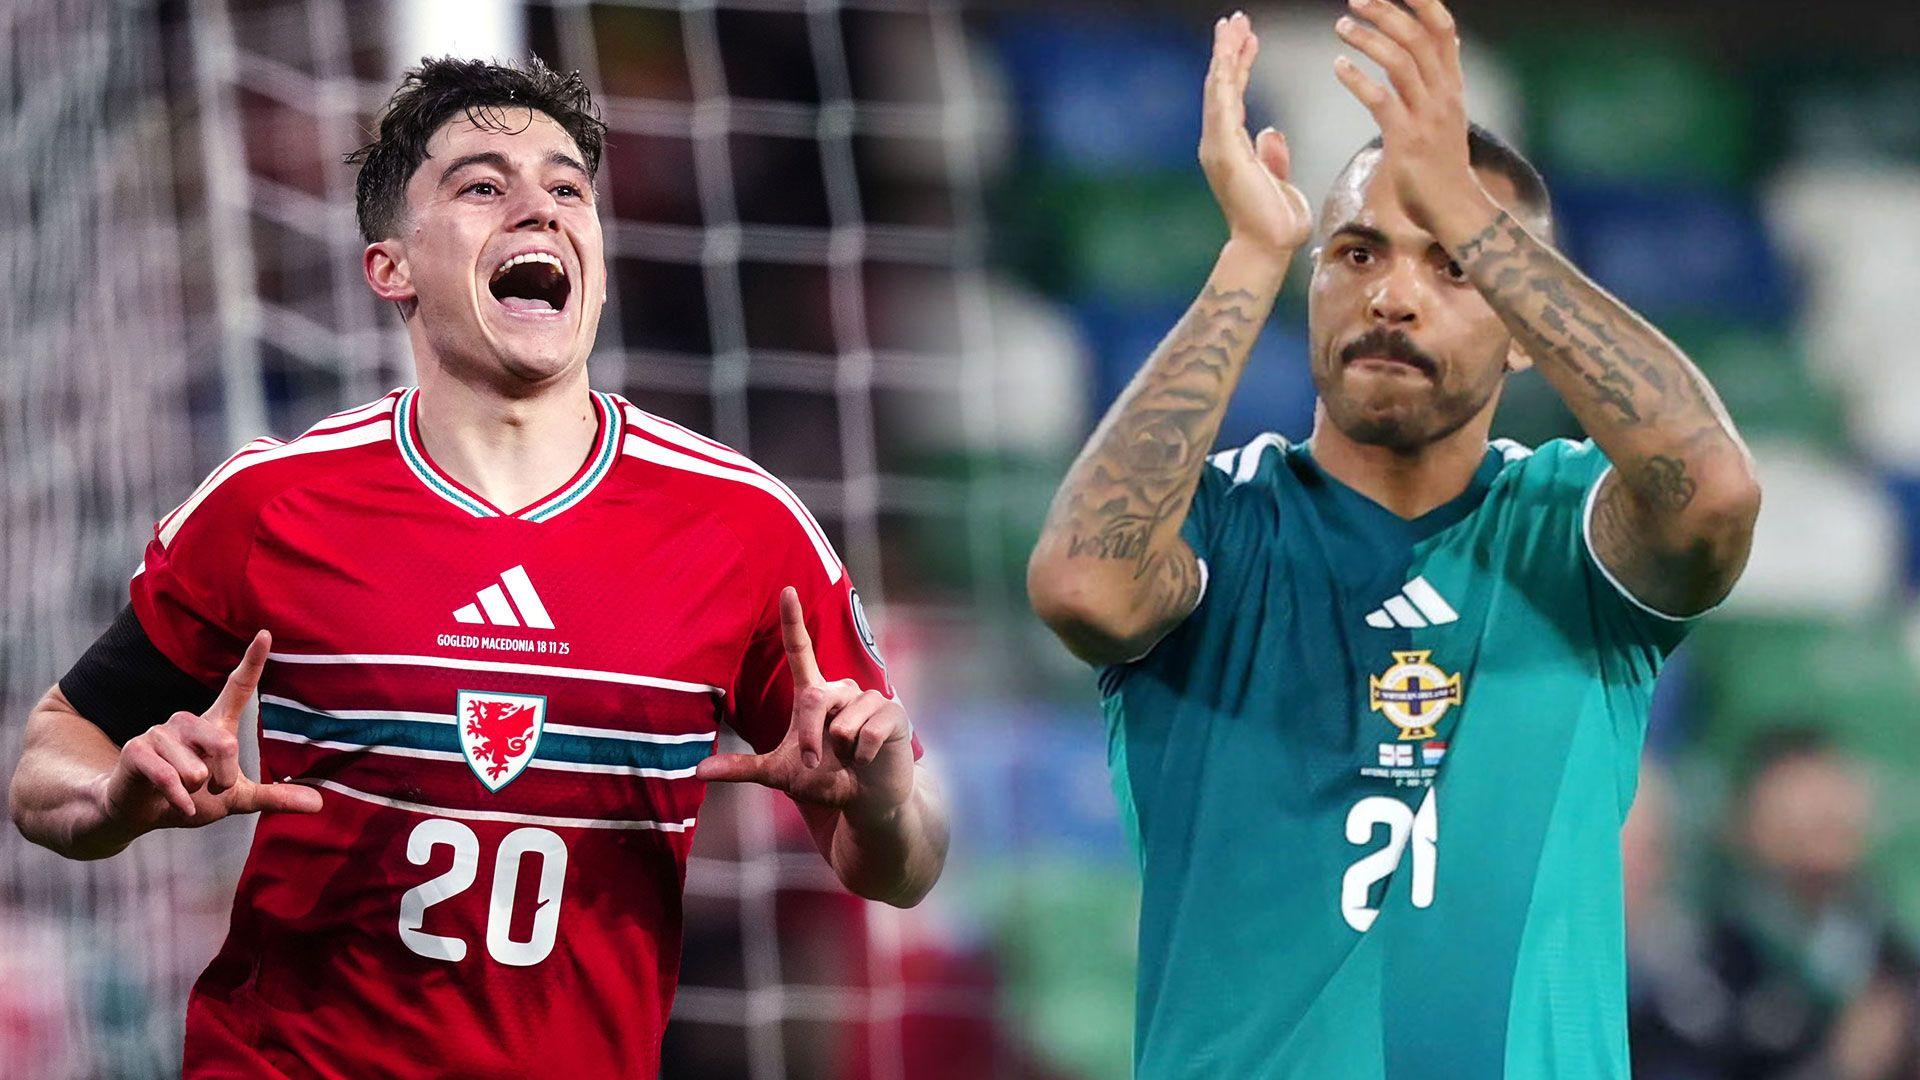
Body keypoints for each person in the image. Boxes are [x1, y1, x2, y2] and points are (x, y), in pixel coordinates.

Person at [7, 57, 947, 1078]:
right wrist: (109, 804)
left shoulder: (743, 525)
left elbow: (901, 866)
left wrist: (883, 806)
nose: (538, 210)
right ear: (391, 267)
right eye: (483, 185)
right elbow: (53, 756)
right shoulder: (273, 505)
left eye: (567, 188)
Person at [1026, 2, 1760, 1076]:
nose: (1393, 297)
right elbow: (1084, 590)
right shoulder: (1219, 525)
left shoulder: (1568, 530)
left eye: (1452, 265)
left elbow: (1713, 500)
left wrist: (1476, 214)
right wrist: (1251, 255)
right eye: (1356, 254)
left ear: (1520, 329)